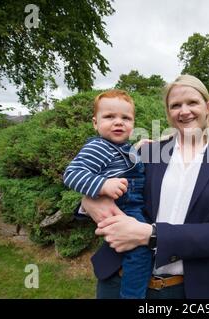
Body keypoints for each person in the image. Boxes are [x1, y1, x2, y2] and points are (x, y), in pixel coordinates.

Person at [78, 75, 209, 299]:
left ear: (208, 107)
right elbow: (113, 187)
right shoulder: (148, 152)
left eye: (192, 102)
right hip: (120, 277)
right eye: (175, 105)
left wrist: (151, 235)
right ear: (169, 113)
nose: (184, 111)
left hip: (185, 290)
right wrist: (88, 202)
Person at [64, 89, 152, 299]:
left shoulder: (121, 147)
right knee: (141, 251)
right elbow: (71, 174)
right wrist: (102, 185)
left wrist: (138, 149)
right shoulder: (98, 147)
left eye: (126, 118)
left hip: (133, 207)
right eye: (109, 117)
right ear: (95, 123)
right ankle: (132, 296)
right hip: (124, 208)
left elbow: (122, 161)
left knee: (129, 250)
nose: (118, 122)